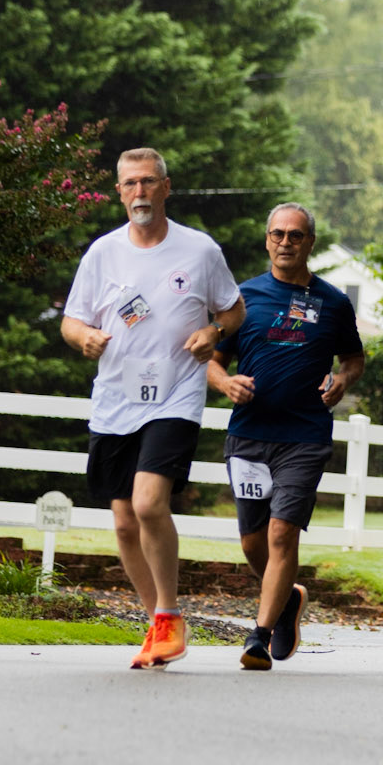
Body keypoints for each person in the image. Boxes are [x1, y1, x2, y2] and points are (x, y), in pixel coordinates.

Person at [61, 149, 244, 668]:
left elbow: (234, 309)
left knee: (147, 504)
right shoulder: (102, 253)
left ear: (166, 187)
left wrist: (214, 331)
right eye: (130, 184)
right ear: (119, 192)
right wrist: (84, 338)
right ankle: (161, 625)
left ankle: (167, 614)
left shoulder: (199, 250)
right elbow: (71, 321)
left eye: (147, 182)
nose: (139, 192)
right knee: (123, 523)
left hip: (176, 393)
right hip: (116, 398)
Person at [206, 203, 365, 670]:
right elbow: (212, 360)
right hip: (249, 435)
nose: (286, 242)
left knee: (282, 533)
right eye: (278, 234)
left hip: (304, 435)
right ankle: (288, 598)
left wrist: (342, 380)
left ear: (309, 242)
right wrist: (225, 383)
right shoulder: (242, 298)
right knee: (252, 543)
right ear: (267, 240)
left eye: (296, 235)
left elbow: (353, 358)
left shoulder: (334, 302)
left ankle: (258, 636)